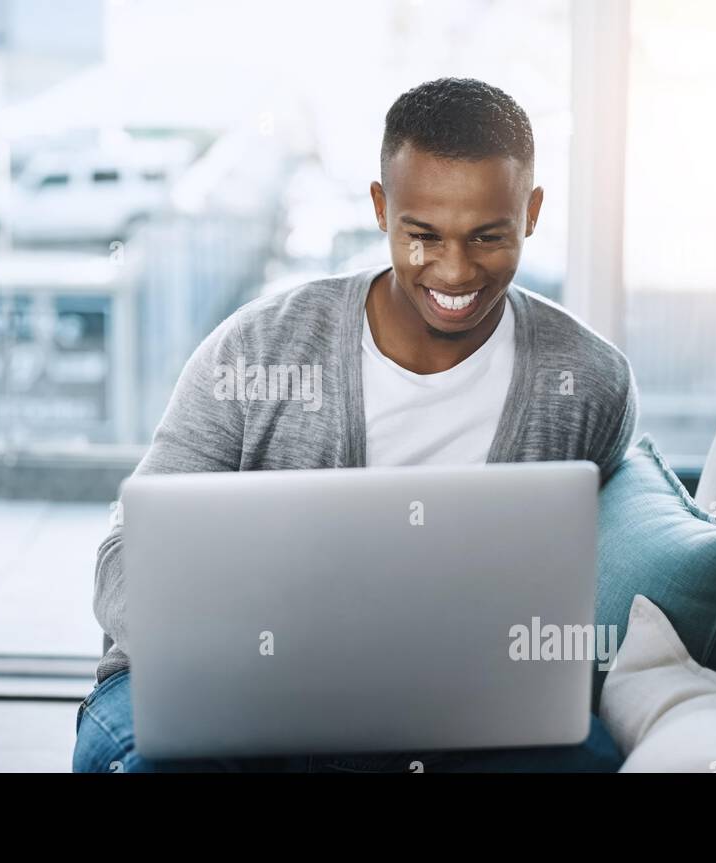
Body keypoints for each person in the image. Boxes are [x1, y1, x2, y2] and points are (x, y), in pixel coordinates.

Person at [75, 77, 638, 773]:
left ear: (531, 213)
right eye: (422, 235)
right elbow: (123, 561)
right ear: (381, 208)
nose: (454, 270)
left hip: (454, 703)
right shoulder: (255, 350)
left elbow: (603, 575)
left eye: (487, 236)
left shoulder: (589, 381)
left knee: (590, 760)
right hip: (220, 681)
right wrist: (251, 653)